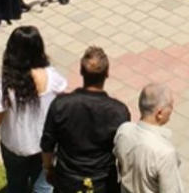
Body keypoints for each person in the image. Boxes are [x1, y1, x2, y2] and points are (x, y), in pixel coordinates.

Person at [0, 27, 67, 193]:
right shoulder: (52, 76)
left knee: (16, 186)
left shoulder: (4, 84)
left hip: (14, 148)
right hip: (44, 146)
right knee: (43, 186)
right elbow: (63, 101)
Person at [41, 46, 131, 193]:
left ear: (81, 71)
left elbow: (47, 143)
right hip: (102, 184)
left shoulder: (61, 105)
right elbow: (124, 153)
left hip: (67, 182)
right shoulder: (118, 112)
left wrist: (48, 168)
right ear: (107, 74)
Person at [114, 83, 184, 193]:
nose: (172, 109)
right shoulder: (164, 153)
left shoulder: (124, 131)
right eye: (170, 105)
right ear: (159, 113)